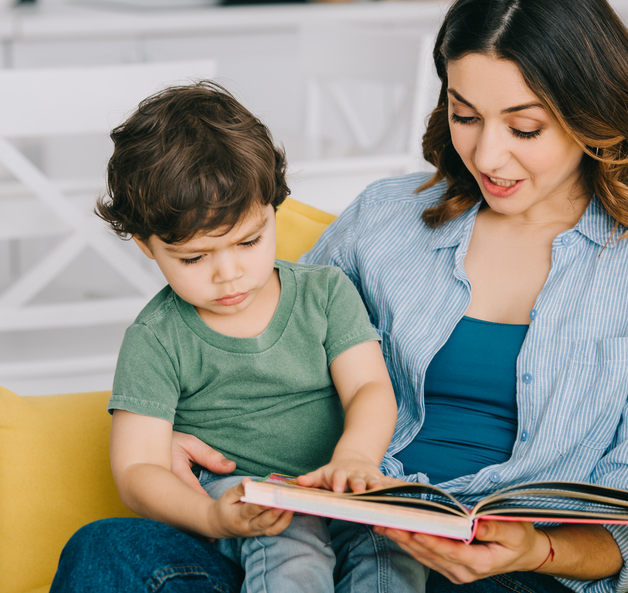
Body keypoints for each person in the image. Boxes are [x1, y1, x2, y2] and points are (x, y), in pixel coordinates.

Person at [51, 0, 628, 593]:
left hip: (496, 572)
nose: (488, 155)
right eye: (464, 115)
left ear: (592, 112)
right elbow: (261, 333)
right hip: (321, 537)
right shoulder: (385, 218)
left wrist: (536, 549)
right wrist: (167, 439)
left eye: (523, 128)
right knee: (108, 550)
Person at [75, 81, 427, 593]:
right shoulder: (157, 338)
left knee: (392, 545)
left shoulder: (325, 294)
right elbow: (138, 469)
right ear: (147, 245)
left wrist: (355, 457)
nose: (229, 274)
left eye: (249, 241)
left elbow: (369, 389)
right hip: (243, 497)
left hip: (343, 477)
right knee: (292, 547)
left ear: (274, 207)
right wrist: (211, 515)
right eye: (195, 258)